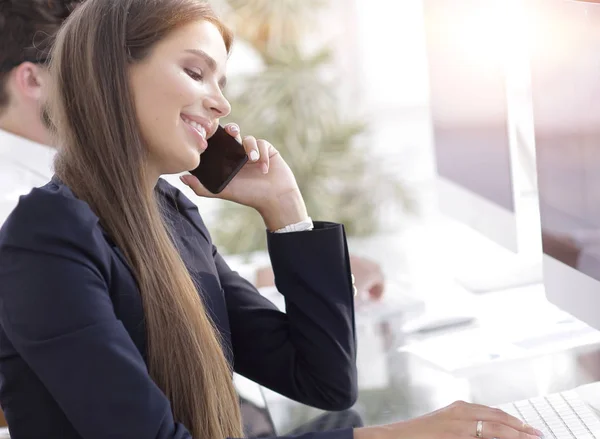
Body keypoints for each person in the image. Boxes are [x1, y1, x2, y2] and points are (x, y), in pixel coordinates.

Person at [0, 1, 542, 439]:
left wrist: (286, 211)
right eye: (196, 72)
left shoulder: (168, 212)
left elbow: (323, 382)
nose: (220, 102)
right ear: (111, 75)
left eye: (221, 83)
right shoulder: (45, 240)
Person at [0, 0, 385, 303]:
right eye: (75, 61)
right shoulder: (25, 216)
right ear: (32, 78)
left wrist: (285, 214)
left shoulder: (164, 201)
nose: (90, 74)